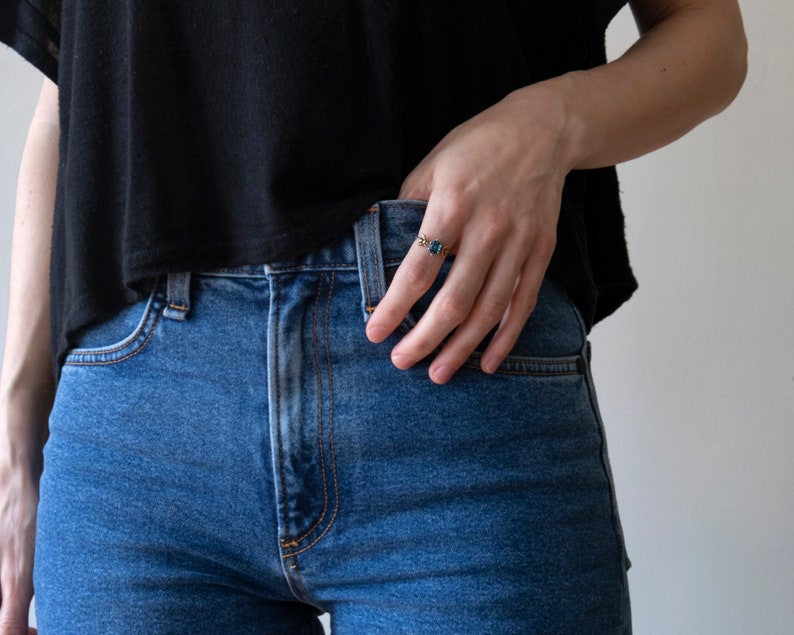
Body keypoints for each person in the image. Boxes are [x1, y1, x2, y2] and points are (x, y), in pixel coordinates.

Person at [0, 1, 746, 633]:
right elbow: (73, 89)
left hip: (463, 389)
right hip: (138, 435)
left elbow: (709, 33)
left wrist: (552, 124)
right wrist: (14, 433)